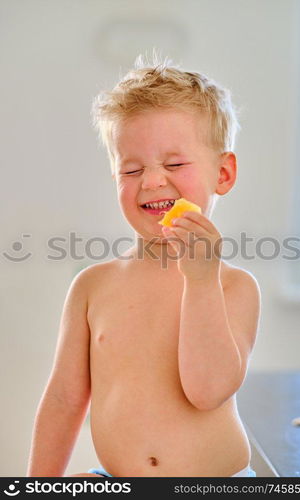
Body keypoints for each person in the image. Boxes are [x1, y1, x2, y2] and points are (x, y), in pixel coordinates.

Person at [27, 55, 261, 477]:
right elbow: (63, 400)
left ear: (223, 173)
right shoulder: (92, 287)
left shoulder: (234, 287)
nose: (152, 181)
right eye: (131, 169)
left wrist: (201, 280)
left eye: (174, 164)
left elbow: (207, 392)